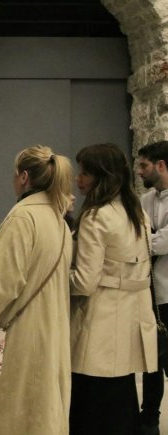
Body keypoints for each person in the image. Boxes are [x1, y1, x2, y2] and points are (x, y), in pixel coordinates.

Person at [0, 145, 73, 435]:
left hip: (17, 345)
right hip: (47, 338)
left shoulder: (23, 218)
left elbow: (1, 287)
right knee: (36, 419)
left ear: (23, 177)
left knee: (0, 418)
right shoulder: (57, 220)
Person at [69, 143, 157, 435]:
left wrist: (56, 278)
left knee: (91, 412)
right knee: (122, 403)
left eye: (84, 173)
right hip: (131, 320)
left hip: (99, 323)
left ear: (102, 176)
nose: (78, 179)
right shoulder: (138, 214)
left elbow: (85, 282)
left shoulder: (96, 217)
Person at [138, 141, 168, 435]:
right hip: (147, 293)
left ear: (160, 165)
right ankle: (149, 420)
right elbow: (136, 238)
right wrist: (153, 237)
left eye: (144, 165)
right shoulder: (144, 200)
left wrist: (151, 237)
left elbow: (160, 243)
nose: (139, 171)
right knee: (150, 361)